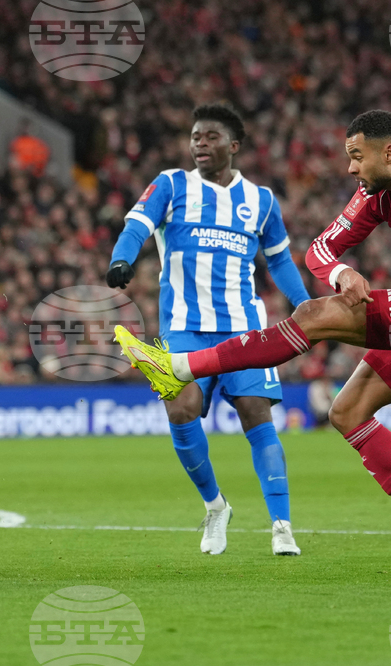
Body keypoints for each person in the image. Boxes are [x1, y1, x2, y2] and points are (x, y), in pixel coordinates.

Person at [115, 109, 391, 578]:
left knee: (315, 315)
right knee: (347, 411)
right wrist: (341, 272)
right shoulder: (377, 195)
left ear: (390, 152)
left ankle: (179, 367)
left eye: (357, 157)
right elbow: (319, 249)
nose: (351, 168)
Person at [106, 104, 310, 556]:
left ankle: (282, 526)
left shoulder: (261, 201)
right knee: (181, 409)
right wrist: (123, 257)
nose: (200, 143)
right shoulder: (172, 184)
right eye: (195, 136)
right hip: (184, 327)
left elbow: (277, 258)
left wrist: (305, 305)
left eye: (210, 137)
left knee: (257, 412)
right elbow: (137, 225)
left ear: (233, 146)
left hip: (244, 326)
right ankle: (216, 506)